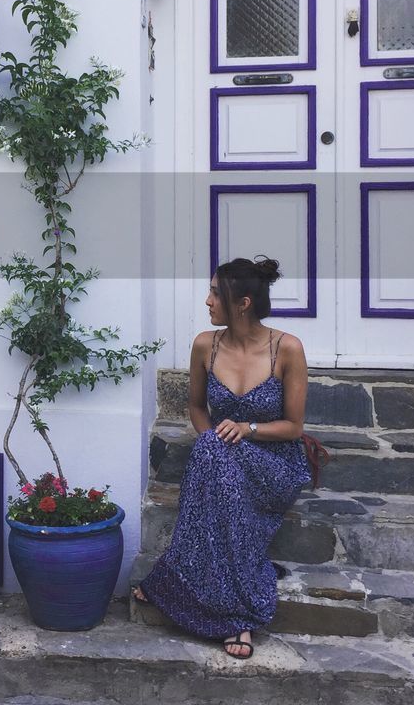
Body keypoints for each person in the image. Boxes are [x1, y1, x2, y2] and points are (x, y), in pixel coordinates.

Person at [132, 256, 311, 659]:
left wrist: (247, 430)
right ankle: (236, 618)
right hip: (223, 455)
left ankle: (181, 585)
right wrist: (216, 441)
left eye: (215, 292)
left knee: (214, 461)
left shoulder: (287, 348)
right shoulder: (204, 345)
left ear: (242, 303)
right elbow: (197, 410)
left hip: (274, 463)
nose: (207, 301)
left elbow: (295, 427)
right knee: (213, 456)